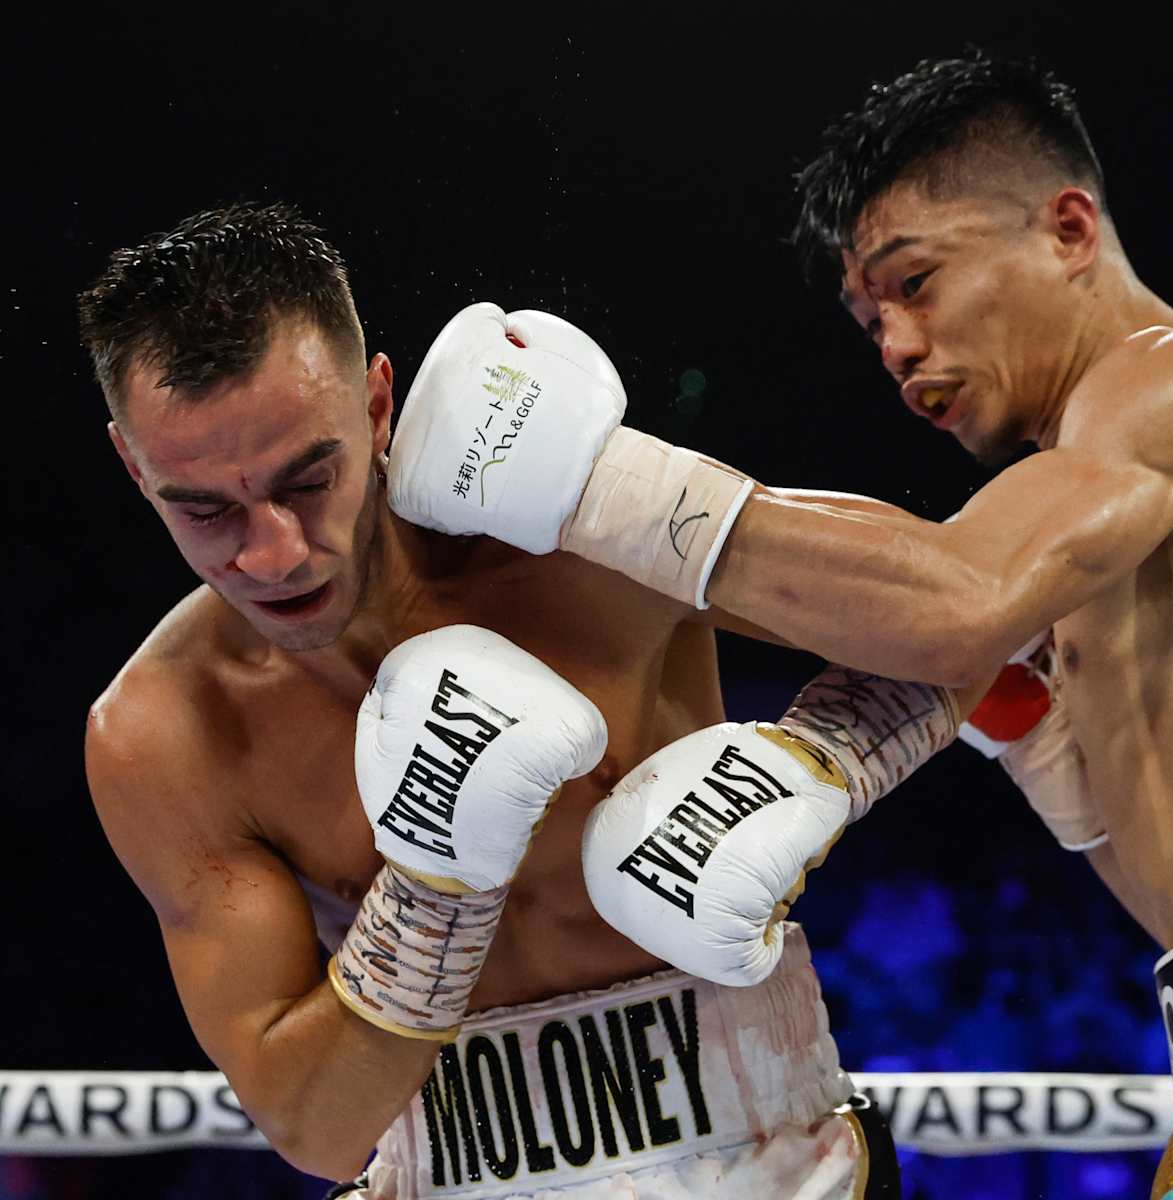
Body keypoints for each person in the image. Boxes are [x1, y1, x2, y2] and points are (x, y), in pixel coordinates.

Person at [389, 55, 1173, 1199]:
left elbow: (954, 597)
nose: (899, 347)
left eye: (916, 283)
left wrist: (594, 488)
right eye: (869, 322)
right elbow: (1168, 860)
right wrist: (1028, 733)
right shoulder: (1106, 512)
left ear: (1067, 230)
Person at [76, 202, 943, 1199]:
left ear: (376, 405)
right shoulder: (167, 733)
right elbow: (313, 1128)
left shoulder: (578, 538)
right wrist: (434, 881)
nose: (271, 552)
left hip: (776, 1165)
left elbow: (960, 613)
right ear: (132, 464)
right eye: (206, 511)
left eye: (308, 480)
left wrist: (816, 761)